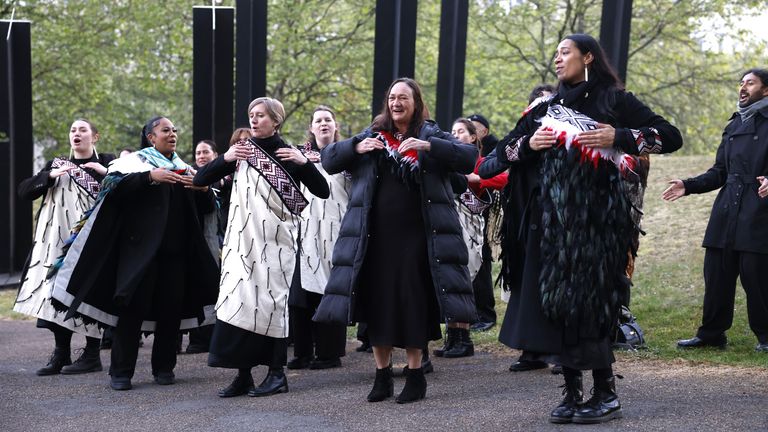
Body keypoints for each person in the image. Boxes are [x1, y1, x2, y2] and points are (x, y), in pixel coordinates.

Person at [480, 34, 681, 424]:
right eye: (554, 53)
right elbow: (492, 161)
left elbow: (670, 136)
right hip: (551, 231)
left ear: (588, 57)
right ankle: (572, 393)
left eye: (565, 52)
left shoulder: (615, 102)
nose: (557, 59)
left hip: (598, 230)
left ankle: (605, 394)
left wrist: (619, 136)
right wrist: (527, 145)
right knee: (557, 308)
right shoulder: (546, 109)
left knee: (592, 309)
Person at [313, 78, 478, 404]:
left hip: (418, 239)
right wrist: (355, 147)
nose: (396, 103)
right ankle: (382, 375)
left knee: (413, 303)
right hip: (375, 238)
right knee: (378, 305)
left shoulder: (431, 134)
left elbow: (468, 157)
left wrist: (428, 148)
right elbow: (329, 159)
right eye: (391, 97)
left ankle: (415, 375)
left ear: (416, 102)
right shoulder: (373, 135)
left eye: (403, 97)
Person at [51, 116, 220, 391]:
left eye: (174, 130)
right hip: (139, 254)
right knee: (131, 311)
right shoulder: (135, 164)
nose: (172, 134)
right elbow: (113, 191)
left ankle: (164, 368)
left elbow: (206, 208)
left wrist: (201, 189)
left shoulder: (184, 168)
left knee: (171, 312)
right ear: (151, 137)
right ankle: (121, 372)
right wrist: (149, 178)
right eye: (166, 130)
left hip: (176, 255)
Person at [196, 97, 330, 398]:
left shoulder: (288, 153)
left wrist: (304, 164)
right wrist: (226, 157)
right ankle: (243, 374)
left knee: (271, 303)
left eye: (260, 116)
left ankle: (276, 374)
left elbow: (322, 191)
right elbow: (200, 178)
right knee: (240, 301)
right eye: (251, 115)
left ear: (276, 121)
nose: (254, 120)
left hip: (275, 244)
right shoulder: (242, 152)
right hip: (241, 244)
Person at [664, 68, 768, 354]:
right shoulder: (734, 124)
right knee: (717, 272)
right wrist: (689, 185)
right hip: (726, 208)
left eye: (750, 83)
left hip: (759, 210)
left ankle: (766, 335)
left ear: (766, 90)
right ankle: (711, 333)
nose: (743, 88)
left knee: (756, 275)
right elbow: (720, 171)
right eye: (741, 83)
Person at [14, 119, 114, 376]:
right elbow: (25, 191)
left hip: (90, 240)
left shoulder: (107, 163)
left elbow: (125, 189)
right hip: (56, 243)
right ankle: (61, 353)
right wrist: (48, 177)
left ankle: (92, 354)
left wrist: (103, 173)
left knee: (87, 290)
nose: (76, 134)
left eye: (82, 130)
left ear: (95, 136)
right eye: (72, 130)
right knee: (55, 293)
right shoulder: (57, 165)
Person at [431, 118, 507, 359]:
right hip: (449, 225)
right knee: (450, 281)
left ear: (474, 137)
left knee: (463, 281)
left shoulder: (478, 161)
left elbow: (503, 177)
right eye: (452, 131)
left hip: (471, 227)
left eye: (461, 131)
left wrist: (475, 179)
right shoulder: (448, 162)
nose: (456, 135)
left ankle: (463, 339)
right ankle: (452, 337)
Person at [287, 106, 349, 371]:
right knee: (300, 295)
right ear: (311, 128)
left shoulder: (347, 157)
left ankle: (329, 352)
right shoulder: (299, 157)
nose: (323, 124)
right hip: (304, 232)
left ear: (335, 126)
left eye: (328, 120)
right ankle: (302, 352)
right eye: (318, 121)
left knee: (329, 291)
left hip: (336, 231)